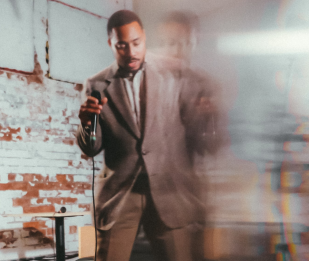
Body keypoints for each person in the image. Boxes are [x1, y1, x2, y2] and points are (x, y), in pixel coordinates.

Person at [76, 10, 219, 261]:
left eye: (136, 43)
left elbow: (200, 138)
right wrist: (87, 123)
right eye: (122, 45)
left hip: (170, 192)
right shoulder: (96, 84)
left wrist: (208, 117)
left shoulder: (176, 74)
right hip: (120, 195)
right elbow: (91, 148)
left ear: (144, 39)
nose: (131, 52)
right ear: (111, 44)